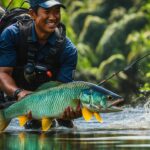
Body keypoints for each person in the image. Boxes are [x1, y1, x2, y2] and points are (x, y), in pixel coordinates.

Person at [0, 0, 81, 129]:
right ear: (32, 14)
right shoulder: (12, 34)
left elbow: (64, 92)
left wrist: (68, 112)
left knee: (66, 129)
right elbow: (3, 73)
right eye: (47, 12)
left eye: (57, 12)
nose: (53, 17)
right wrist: (19, 93)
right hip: (13, 93)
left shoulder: (68, 50)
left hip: (49, 101)